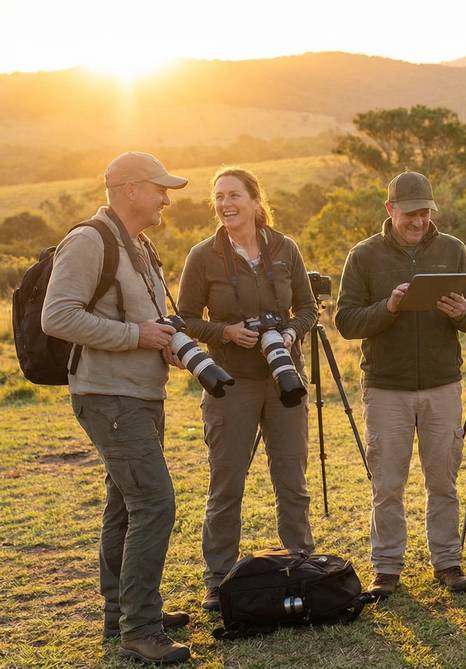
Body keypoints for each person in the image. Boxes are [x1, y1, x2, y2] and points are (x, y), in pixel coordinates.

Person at [41, 152, 192, 664]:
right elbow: (57, 316)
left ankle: (121, 612)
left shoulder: (141, 245)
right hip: (108, 396)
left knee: (126, 505)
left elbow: (146, 319)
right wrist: (137, 335)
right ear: (129, 189)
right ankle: (141, 629)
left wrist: (166, 340)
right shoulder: (89, 241)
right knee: (155, 502)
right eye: (159, 188)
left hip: (140, 393)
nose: (166, 198)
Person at [334, 171, 466, 597]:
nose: (419, 221)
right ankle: (387, 567)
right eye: (410, 214)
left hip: (441, 384)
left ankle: (448, 562)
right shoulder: (363, 256)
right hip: (386, 387)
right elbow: (345, 322)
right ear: (390, 210)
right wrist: (391, 306)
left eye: (424, 213)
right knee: (387, 483)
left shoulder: (453, 249)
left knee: (443, 479)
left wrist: (461, 312)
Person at [176, 167, 318, 611]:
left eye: (234, 194)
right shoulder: (203, 255)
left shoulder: (284, 248)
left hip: (284, 380)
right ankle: (218, 580)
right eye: (218, 197)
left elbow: (308, 308)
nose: (225, 204)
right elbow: (184, 320)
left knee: (291, 481)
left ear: (256, 200)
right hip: (230, 383)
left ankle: (302, 563)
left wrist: (291, 333)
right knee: (226, 485)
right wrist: (225, 332)